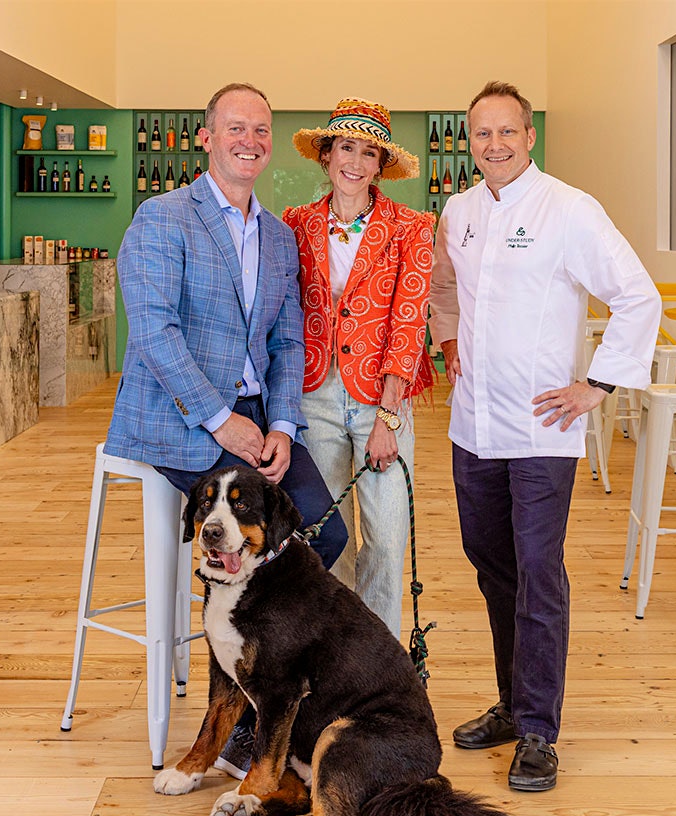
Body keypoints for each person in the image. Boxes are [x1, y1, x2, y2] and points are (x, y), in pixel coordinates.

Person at [104, 81, 348, 778]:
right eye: (235, 128)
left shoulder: (276, 236)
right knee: (236, 543)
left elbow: (286, 344)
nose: (250, 140)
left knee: (323, 533)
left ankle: (256, 696)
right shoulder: (161, 218)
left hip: (253, 423)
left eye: (261, 131)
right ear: (206, 138)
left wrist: (279, 424)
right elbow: (154, 332)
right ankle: (242, 713)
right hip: (182, 421)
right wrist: (223, 422)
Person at [429, 81, 663, 792]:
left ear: (529, 136)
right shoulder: (459, 211)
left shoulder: (569, 209)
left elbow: (637, 295)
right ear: (468, 141)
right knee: (492, 569)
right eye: (481, 134)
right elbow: (443, 287)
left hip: (541, 430)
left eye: (507, 132)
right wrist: (447, 342)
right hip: (472, 426)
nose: (493, 145)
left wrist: (598, 384)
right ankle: (510, 702)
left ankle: (537, 730)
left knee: (538, 574)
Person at [282, 98, 435, 637]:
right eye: (346, 147)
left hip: (381, 397)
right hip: (314, 393)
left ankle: (382, 664)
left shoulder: (412, 228)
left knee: (388, 540)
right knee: (327, 535)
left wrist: (388, 416)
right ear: (326, 156)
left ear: (380, 166)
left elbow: (410, 318)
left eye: (369, 153)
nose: (356, 161)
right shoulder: (296, 224)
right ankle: (334, 657)